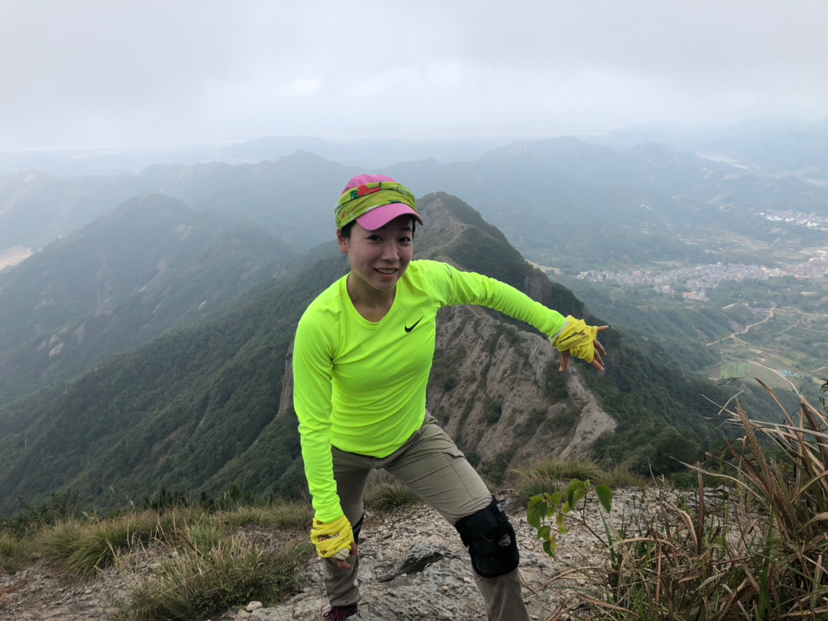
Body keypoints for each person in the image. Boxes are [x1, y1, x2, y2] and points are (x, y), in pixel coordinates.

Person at [293, 174, 607, 621]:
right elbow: (312, 424)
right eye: (375, 238)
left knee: (492, 534)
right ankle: (343, 607)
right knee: (340, 534)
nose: (391, 254)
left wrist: (558, 327)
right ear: (344, 240)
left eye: (403, 239)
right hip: (341, 444)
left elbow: (491, 292)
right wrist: (327, 512)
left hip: (412, 435)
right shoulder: (320, 323)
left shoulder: (428, 281)